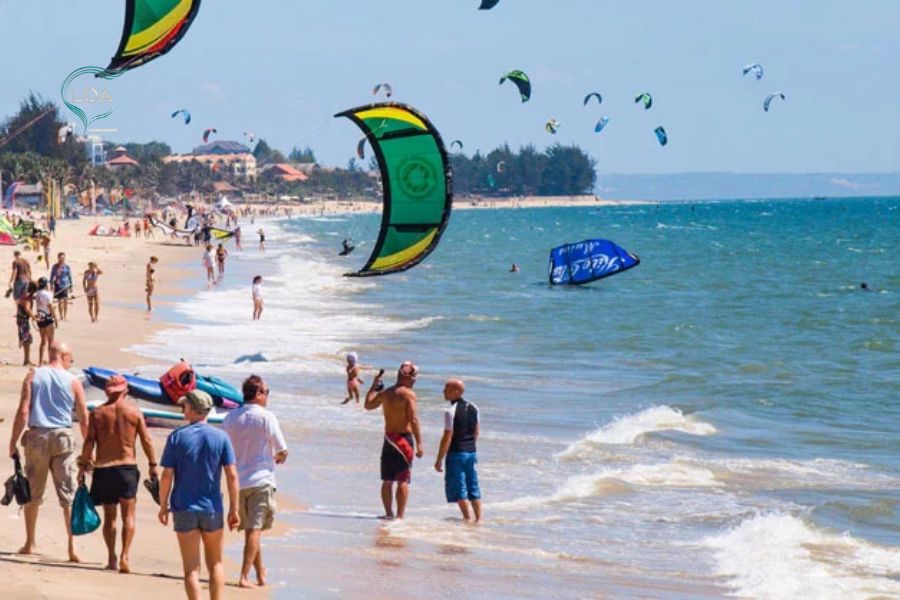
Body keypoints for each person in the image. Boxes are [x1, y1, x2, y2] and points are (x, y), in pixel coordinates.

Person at [7, 341, 88, 562]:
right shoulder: (73, 381)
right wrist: (88, 449)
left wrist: (13, 441)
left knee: (33, 492)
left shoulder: (34, 375)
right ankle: (72, 547)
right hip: (63, 436)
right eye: (70, 358)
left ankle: (29, 542)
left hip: (38, 436)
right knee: (67, 494)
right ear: (62, 356)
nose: (71, 362)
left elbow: (24, 410)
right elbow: (83, 417)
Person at [158, 390, 239, 600]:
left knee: (191, 570)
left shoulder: (177, 437)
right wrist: (234, 508)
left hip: (184, 507)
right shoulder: (221, 437)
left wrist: (163, 504)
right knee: (216, 564)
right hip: (212, 508)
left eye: (184, 406)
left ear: (193, 409)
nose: (182, 409)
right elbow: (232, 475)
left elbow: (167, 475)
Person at [77, 374, 158, 572]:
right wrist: (153, 464)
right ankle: (125, 556)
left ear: (107, 391)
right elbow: (146, 440)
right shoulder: (134, 412)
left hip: (104, 469)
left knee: (110, 517)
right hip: (126, 468)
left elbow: (89, 442)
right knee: (128, 516)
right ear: (125, 390)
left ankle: (112, 557)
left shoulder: (97, 413)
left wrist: (82, 465)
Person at [222, 376, 288, 588]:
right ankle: (244, 576)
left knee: (252, 529)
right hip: (261, 480)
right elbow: (282, 450)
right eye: (267, 392)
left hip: (237, 482)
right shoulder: (267, 417)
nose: (268, 396)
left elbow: (223, 449)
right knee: (254, 530)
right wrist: (278, 459)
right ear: (258, 394)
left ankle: (260, 574)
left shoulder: (231, 417)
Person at [364, 361, 424, 520]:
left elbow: (368, 405)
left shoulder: (386, 393)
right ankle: (400, 516)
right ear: (406, 377)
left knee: (387, 479)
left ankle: (388, 513)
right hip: (403, 440)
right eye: (413, 378)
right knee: (403, 480)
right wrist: (419, 444)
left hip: (389, 439)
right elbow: (413, 419)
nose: (415, 380)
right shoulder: (408, 394)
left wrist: (374, 385)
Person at [434, 379, 482, 523]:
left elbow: (447, 437)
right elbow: (476, 432)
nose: (443, 391)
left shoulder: (451, 411)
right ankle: (478, 519)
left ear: (456, 391)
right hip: (471, 452)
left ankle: (467, 518)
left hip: (456, 453)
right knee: (473, 485)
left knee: (459, 486)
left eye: (447, 389)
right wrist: (470, 447)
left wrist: (439, 459)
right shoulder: (474, 407)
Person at [34, 277, 57, 366]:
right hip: (47, 319)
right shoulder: (48, 294)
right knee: (50, 341)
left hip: (40, 319)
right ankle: (51, 361)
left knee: (43, 341)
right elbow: (50, 307)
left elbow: (43, 305)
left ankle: (40, 362)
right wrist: (55, 318)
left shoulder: (37, 294)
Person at [16, 281, 37, 365]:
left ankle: (27, 359)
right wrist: (33, 317)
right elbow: (27, 309)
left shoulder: (25, 295)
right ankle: (26, 360)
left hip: (21, 319)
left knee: (26, 339)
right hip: (23, 320)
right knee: (27, 340)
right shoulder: (27, 297)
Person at [49, 252, 73, 321]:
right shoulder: (55, 266)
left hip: (65, 285)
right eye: (61, 258)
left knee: (65, 300)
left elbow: (70, 276)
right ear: (58, 258)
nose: (62, 259)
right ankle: (61, 315)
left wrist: (71, 286)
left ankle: (65, 315)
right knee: (59, 301)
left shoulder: (67, 267)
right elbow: (52, 276)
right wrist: (51, 284)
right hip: (57, 284)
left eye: (63, 258)